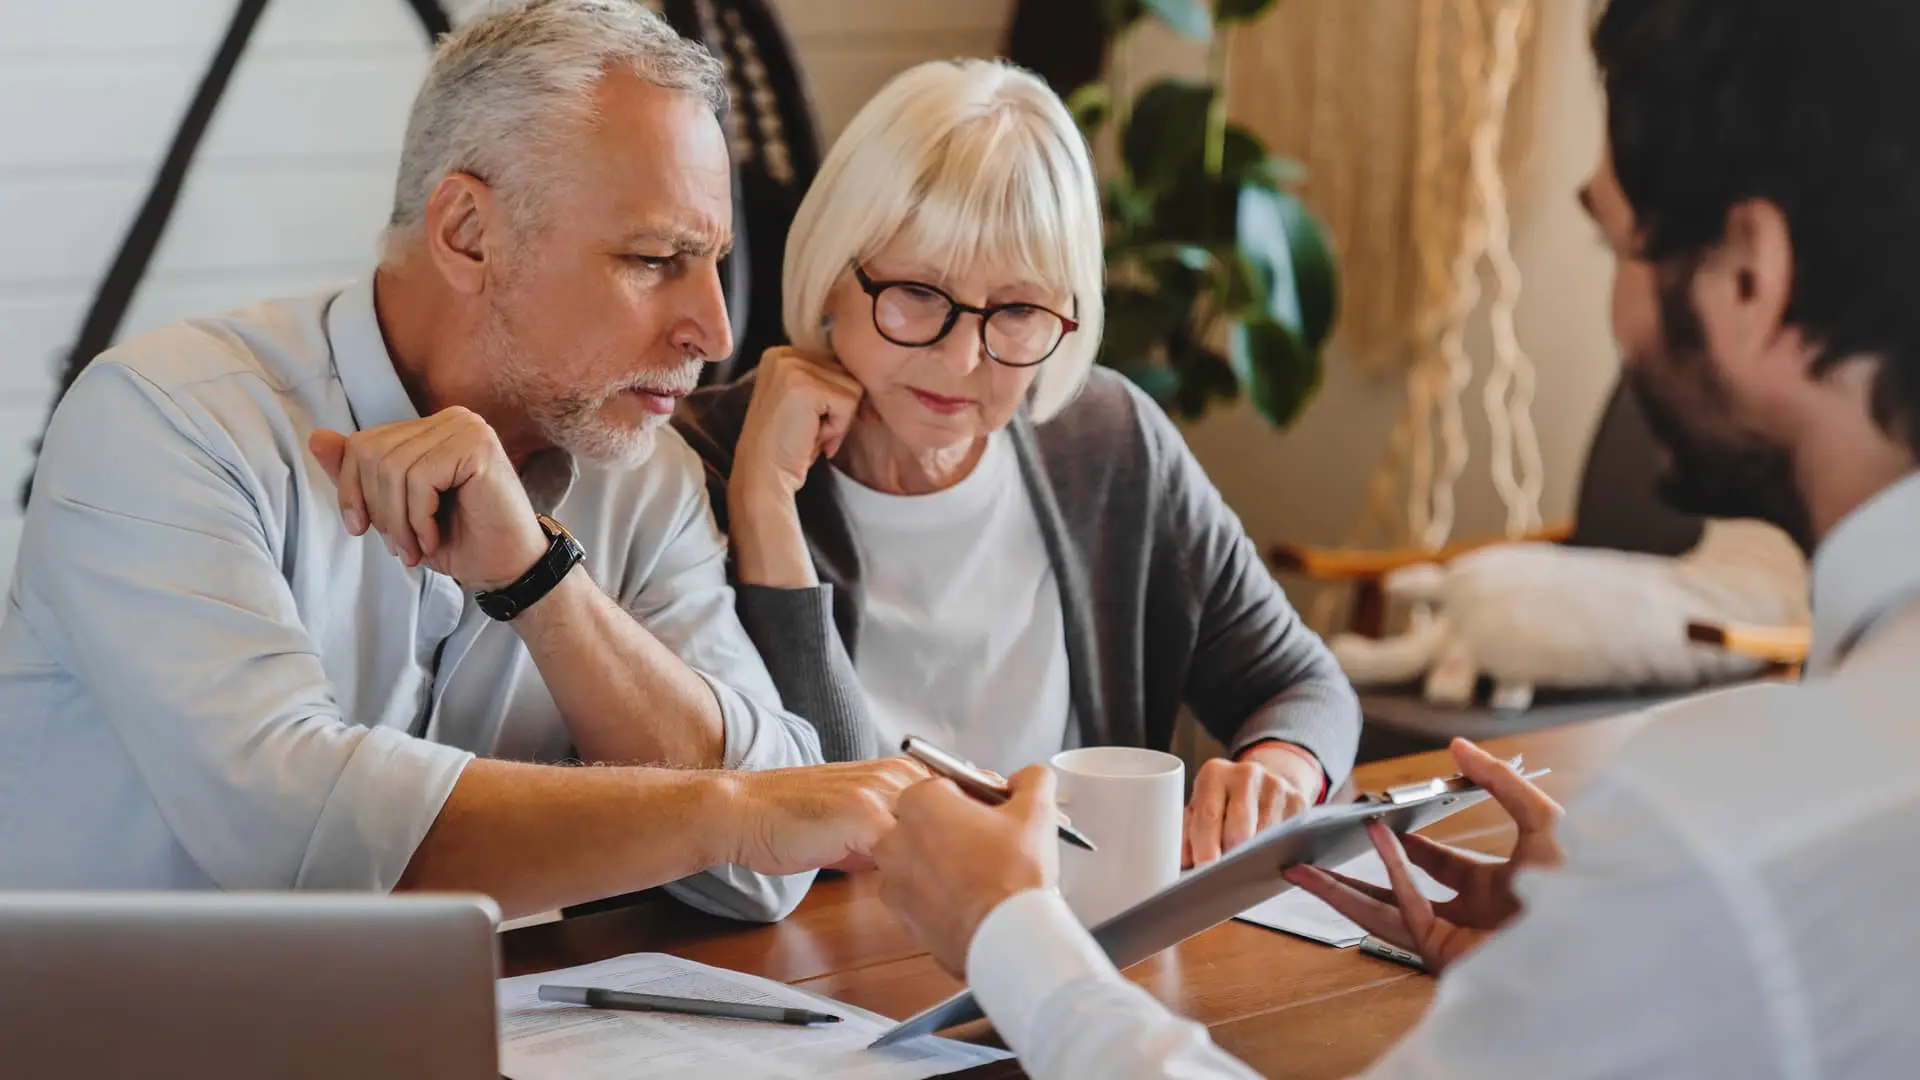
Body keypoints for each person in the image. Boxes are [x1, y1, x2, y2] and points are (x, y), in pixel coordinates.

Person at [872, 0, 1920, 1074]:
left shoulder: (1724, 834)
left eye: (1616, 245)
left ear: (1751, 271)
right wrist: (1577, 979)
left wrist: (1012, 940)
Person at [0, 0, 924, 922]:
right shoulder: (164, 423)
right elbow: (302, 844)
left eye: (711, 261)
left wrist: (541, 583)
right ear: (466, 233)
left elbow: (769, 872)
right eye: (653, 259)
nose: (713, 330)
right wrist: (726, 812)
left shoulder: (646, 474)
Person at [674, 59, 1361, 867]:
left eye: (1020, 310)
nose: (962, 356)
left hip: (1071, 945)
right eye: (919, 293)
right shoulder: (704, 460)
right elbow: (808, 815)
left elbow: (1303, 687)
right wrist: (764, 508)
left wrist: (1280, 768)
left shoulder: (1104, 440)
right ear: (832, 272)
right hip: (825, 967)